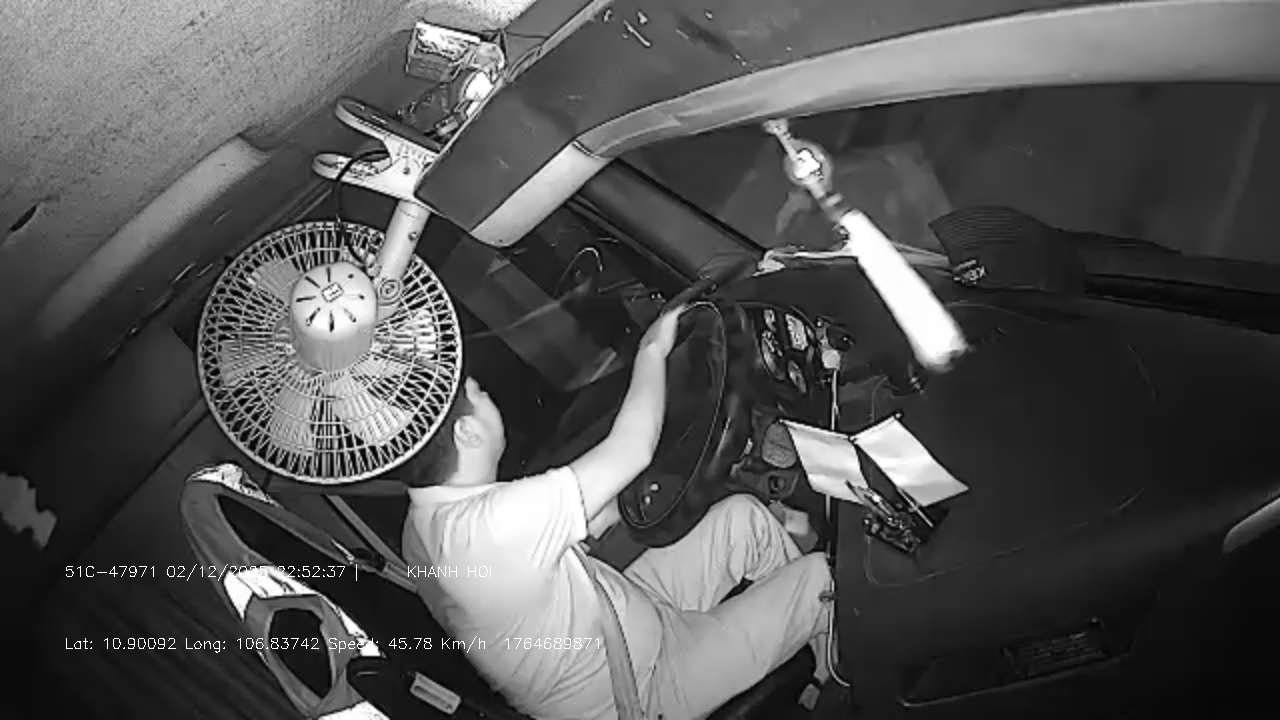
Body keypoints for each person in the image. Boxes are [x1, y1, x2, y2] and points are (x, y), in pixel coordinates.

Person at [400, 306, 833, 720]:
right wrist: (653, 349)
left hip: (614, 618)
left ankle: (822, 653)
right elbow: (633, 449)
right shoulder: (490, 530)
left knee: (744, 522)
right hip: (640, 689)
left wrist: (608, 507)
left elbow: (542, 555)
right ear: (467, 432)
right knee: (825, 577)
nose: (487, 394)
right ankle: (845, 679)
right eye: (478, 393)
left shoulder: (423, 522)